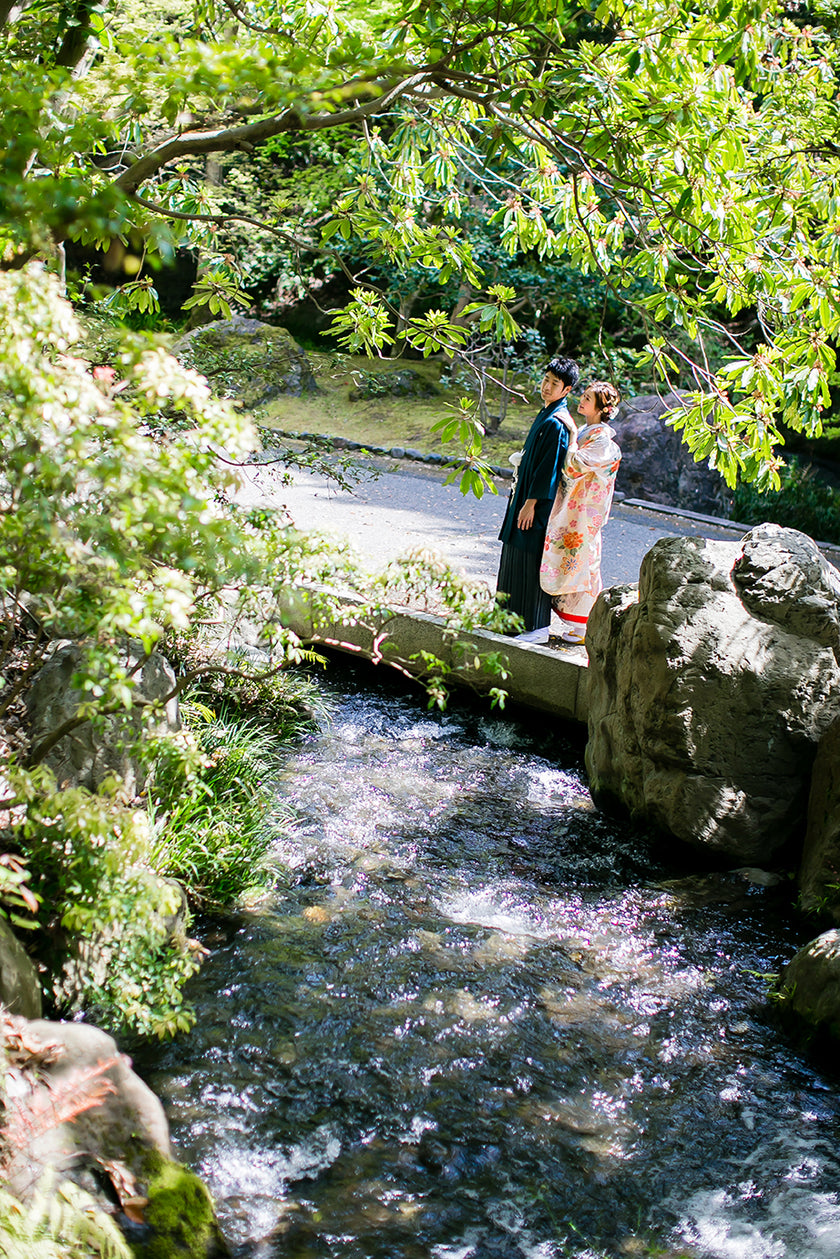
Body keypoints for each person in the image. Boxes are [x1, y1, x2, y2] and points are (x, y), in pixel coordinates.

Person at [496, 355, 580, 644]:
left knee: (529, 559)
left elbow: (548, 468)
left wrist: (531, 502)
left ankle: (534, 626)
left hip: (537, 503)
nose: (546, 386)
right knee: (514, 556)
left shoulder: (557, 423)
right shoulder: (547, 412)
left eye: (554, 383)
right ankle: (507, 619)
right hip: (525, 496)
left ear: (566, 390)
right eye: (546, 380)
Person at [540, 380, 622, 645]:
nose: (582, 400)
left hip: (585, 514)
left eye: (589, 398)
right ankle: (573, 622)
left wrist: (572, 438)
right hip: (575, 511)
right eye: (584, 395)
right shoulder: (590, 433)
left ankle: (583, 625)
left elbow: (575, 465)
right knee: (569, 561)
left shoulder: (604, 443)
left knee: (584, 564)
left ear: (601, 408)